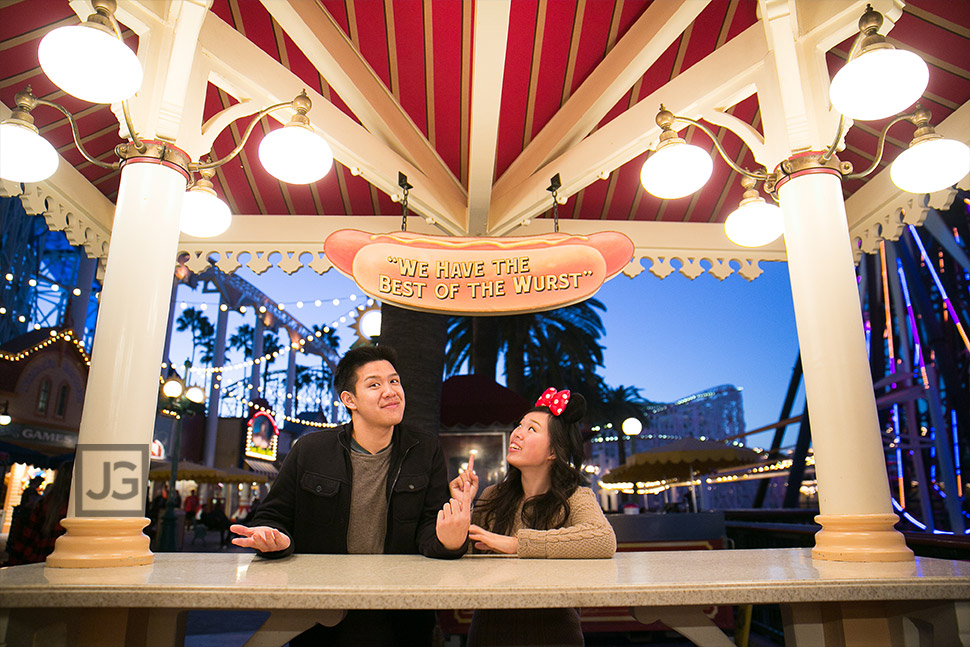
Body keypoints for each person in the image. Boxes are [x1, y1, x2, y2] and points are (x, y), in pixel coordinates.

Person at [230, 345, 469, 646]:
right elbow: (272, 518)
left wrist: (450, 542)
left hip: (401, 611)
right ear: (349, 400)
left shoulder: (424, 449)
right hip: (321, 611)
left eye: (394, 381)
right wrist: (275, 540)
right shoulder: (310, 450)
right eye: (374, 384)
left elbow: (427, 529)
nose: (391, 391)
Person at [458, 387, 616, 647]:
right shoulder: (492, 495)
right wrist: (462, 507)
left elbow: (602, 540)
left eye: (531, 429)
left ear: (553, 451)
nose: (517, 433)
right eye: (518, 426)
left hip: (555, 635)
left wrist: (515, 544)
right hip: (488, 633)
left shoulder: (574, 496)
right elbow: (462, 552)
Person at [4, 461, 73, 566]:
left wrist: (14, 562)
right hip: (65, 561)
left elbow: (28, 536)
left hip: (39, 558)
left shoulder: (46, 503)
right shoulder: (76, 508)